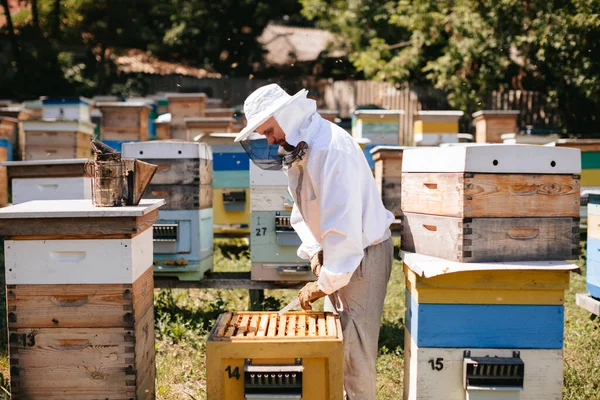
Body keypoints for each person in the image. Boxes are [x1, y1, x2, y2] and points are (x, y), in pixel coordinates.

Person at [235, 83, 394, 400]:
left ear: (287, 115)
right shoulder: (304, 149)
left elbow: (344, 229)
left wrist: (322, 283)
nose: (269, 139)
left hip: (361, 255)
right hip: (343, 253)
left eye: (268, 130)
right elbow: (302, 209)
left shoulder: (330, 151)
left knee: (355, 355)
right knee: (339, 343)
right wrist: (314, 250)